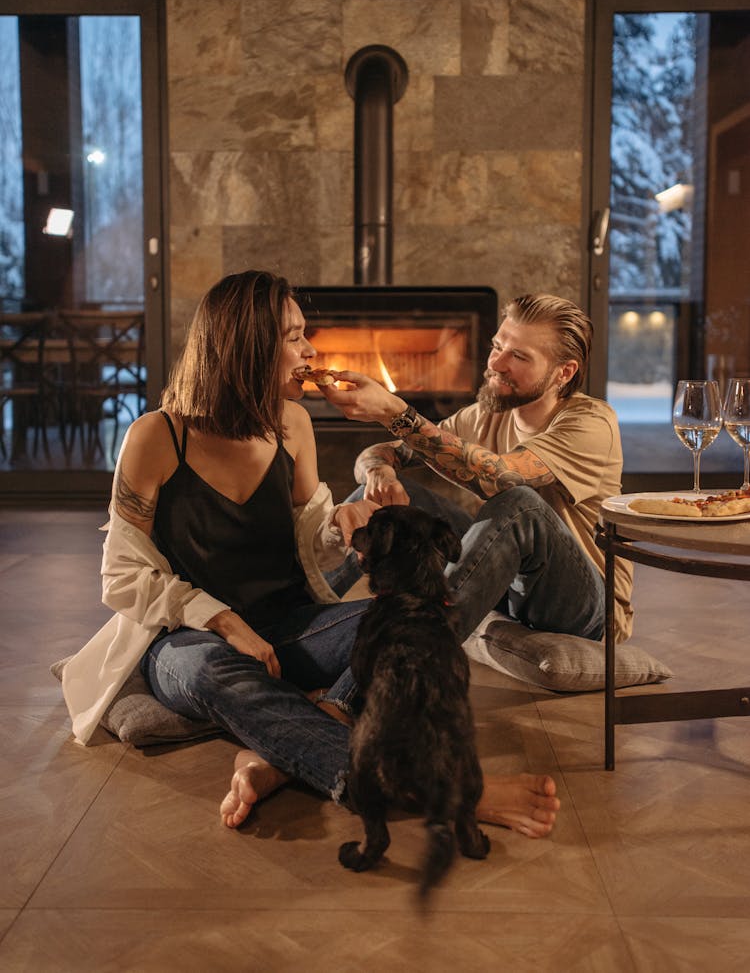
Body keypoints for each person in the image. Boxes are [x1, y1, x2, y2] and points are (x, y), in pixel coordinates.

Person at [60, 271, 560, 839]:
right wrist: (221, 620)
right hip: (186, 640)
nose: (310, 350)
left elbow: (311, 545)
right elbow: (121, 577)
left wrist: (339, 524)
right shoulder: (158, 436)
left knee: (412, 618)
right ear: (246, 346)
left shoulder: (292, 424)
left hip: (290, 627)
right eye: (293, 336)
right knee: (204, 669)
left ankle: (276, 756)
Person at [319, 293, 634, 647]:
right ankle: (301, 618)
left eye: (518, 356)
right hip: (509, 585)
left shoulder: (591, 423)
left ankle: (419, 647)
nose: (496, 363)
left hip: (583, 606)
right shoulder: (486, 414)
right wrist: (379, 471)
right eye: (497, 346)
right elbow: (385, 452)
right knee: (378, 496)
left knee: (519, 503)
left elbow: (500, 476)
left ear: (565, 372)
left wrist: (395, 413)